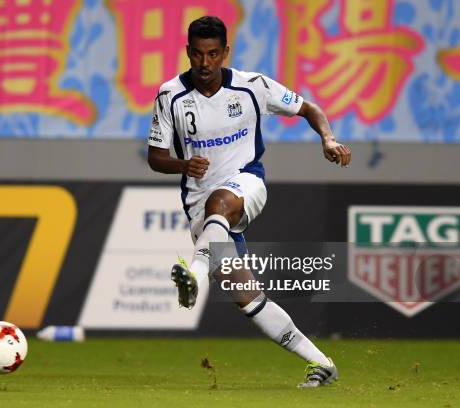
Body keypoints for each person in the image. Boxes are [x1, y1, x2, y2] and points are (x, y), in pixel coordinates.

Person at [147, 16, 351, 388]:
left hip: (246, 185)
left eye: (212, 54)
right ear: (187, 52)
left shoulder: (253, 86)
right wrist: (182, 164)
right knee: (248, 296)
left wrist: (328, 138)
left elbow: (309, 109)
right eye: (197, 54)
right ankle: (322, 363)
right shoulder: (170, 95)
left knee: (221, 201)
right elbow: (155, 156)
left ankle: (193, 274)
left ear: (225, 52)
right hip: (199, 204)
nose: (205, 63)